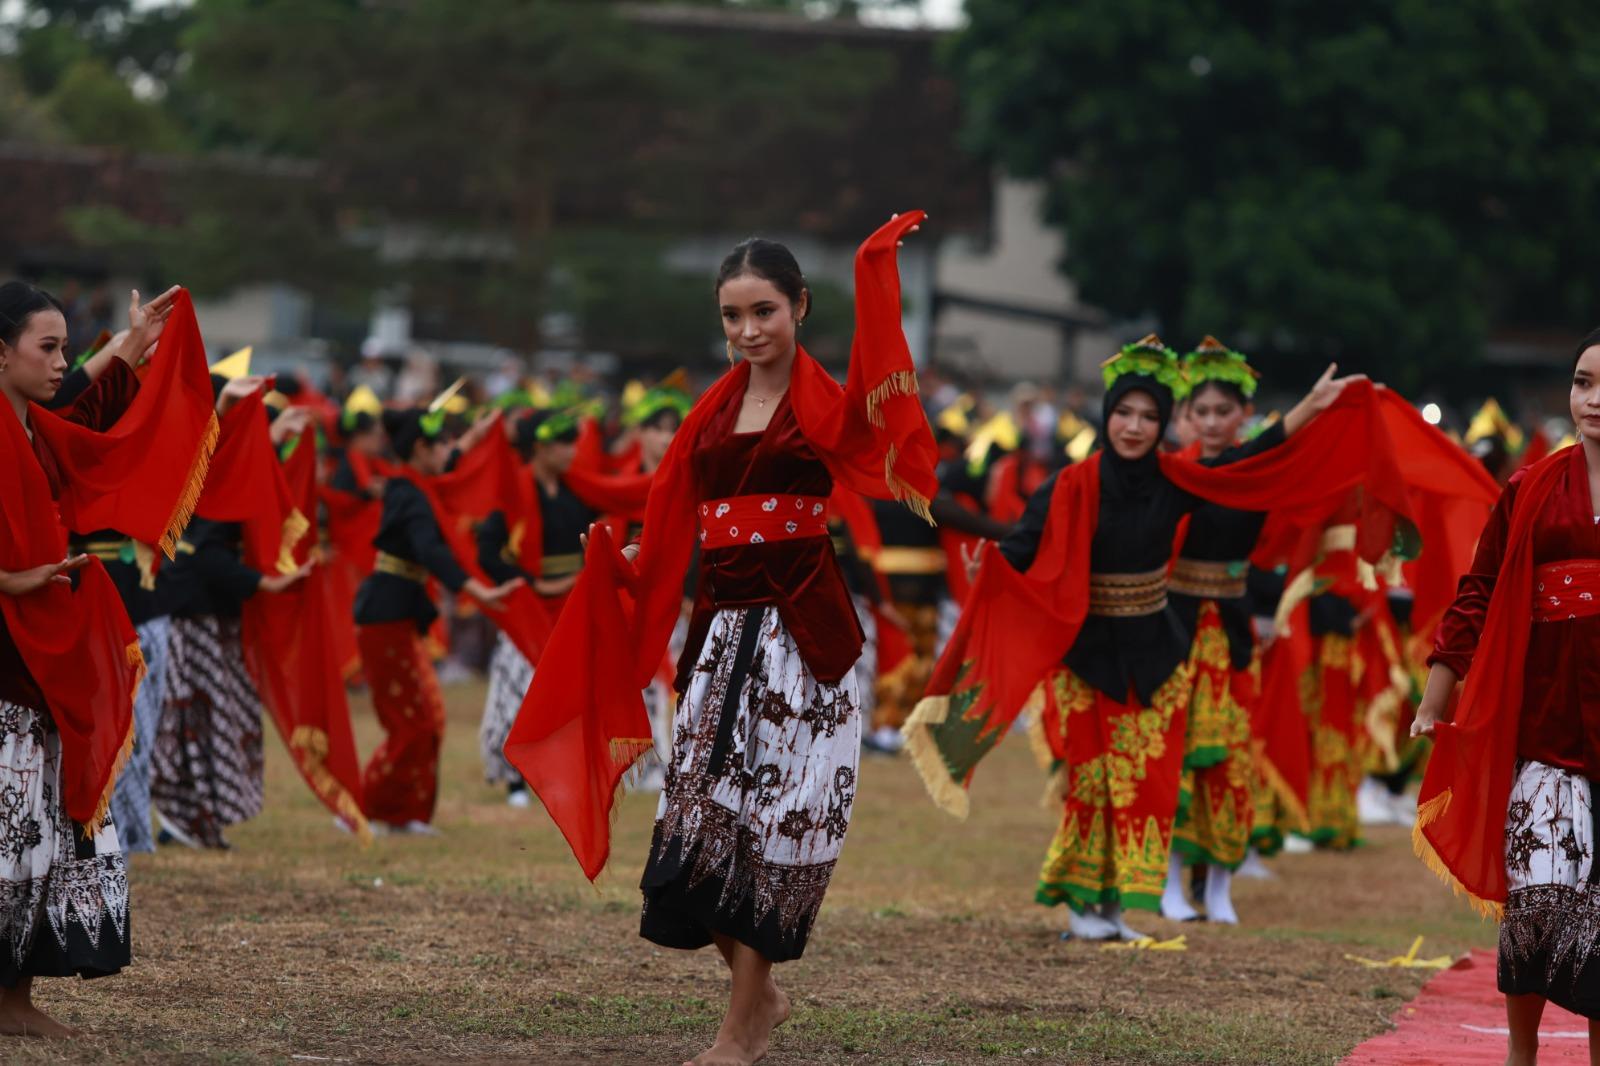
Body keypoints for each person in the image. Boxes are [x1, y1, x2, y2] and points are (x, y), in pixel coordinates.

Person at [508, 211, 939, 1066]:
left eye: (765, 312)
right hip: (720, 638)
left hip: (804, 643)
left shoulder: (827, 406)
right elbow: (682, 513)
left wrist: (875, 276)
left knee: (774, 835)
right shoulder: (710, 414)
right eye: (733, 316)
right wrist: (633, 552)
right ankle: (763, 995)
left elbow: (881, 402)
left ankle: (739, 1031)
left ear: (800, 308)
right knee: (695, 841)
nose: (748, 331)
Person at [912, 336, 1375, 942]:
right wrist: (990, 574)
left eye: (1149, 416)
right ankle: (1082, 900)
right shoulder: (1069, 486)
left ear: (1163, 425)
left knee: (1147, 784)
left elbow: (1243, 461)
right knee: (1093, 782)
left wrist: (1308, 409)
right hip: (1088, 654)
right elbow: (1021, 551)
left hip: (1159, 649)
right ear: (1108, 417)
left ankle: (1114, 907)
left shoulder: (1175, 479)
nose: (1135, 426)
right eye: (1125, 413)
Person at [0, 280, 199, 1036]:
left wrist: (136, 341)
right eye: (45, 347)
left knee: (36, 833)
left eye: (62, 346)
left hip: (41, 651)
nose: (59, 362)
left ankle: (14, 996)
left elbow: (80, 401)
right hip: (10, 651)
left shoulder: (33, 426)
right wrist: (9, 576)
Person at [1412, 328, 1600, 1059]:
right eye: (1584, 383)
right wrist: (1436, 698)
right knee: (1537, 903)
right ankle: (1520, 1054)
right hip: (1544, 725)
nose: (1594, 399)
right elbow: (1478, 594)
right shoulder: (1529, 487)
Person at [353, 407, 521, 833]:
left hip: (399, 613)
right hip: (384, 615)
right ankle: (365, 808)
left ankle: (404, 813)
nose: (450, 450)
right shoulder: (408, 493)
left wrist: (477, 436)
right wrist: (476, 588)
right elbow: (431, 551)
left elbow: (449, 462)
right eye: (442, 443)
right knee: (411, 722)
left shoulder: (416, 482)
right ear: (420, 449)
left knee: (427, 718)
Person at [1160, 338, 1280, 925]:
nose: (1210, 422)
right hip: (1176, 631)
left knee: (1231, 761)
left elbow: (1274, 550)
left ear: (1243, 415)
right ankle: (1172, 882)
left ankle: (1220, 886)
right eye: (1198, 412)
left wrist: (1269, 609)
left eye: (1221, 411)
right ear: (1183, 417)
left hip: (1231, 633)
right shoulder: (1171, 472)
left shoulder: (1257, 470)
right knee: (1178, 755)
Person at [477, 407, 592, 806]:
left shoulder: (579, 490)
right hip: (527, 607)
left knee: (567, 691)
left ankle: (558, 772)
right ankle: (513, 778)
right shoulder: (513, 492)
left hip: (571, 604)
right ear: (540, 448)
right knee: (516, 685)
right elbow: (487, 552)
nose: (571, 451)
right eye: (563, 443)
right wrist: (534, 583)